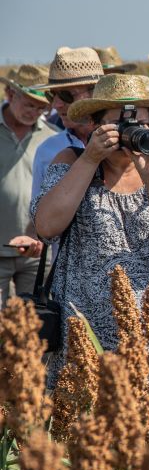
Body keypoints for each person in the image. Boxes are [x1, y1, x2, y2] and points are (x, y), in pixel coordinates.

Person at [31, 74, 149, 383]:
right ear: (95, 126)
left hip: (148, 331)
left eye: (139, 124)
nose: (130, 133)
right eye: (118, 125)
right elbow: (46, 226)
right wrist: (91, 159)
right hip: (82, 331)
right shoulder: (71, 162)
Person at [1, 65, 57, 304]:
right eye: (29, 104)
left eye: (41, 107)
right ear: (10, 94)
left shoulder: (52, 138)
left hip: (36, 253)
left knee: (32, 327)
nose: (34, 112)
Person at [30, 47, 104, 200]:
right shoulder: (47, 150)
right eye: (52, 95)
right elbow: (37, 216)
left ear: (94, 93)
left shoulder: (129, 143)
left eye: (65, 95)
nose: (56, 104)